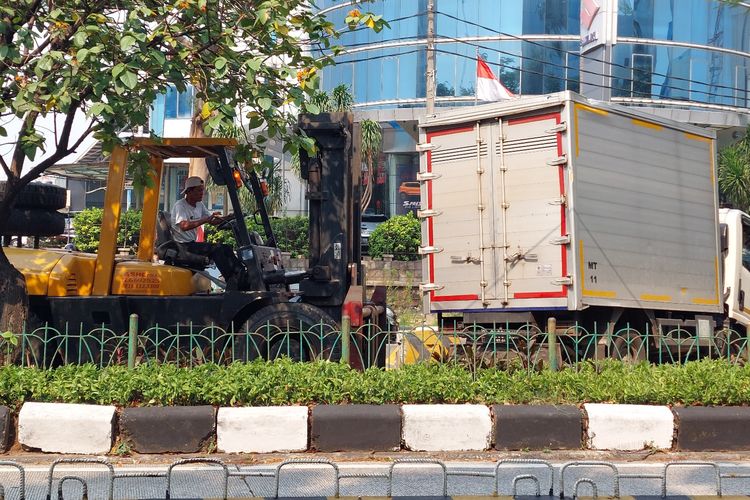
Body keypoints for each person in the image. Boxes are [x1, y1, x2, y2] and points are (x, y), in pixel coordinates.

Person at [172, 176, 245, 290]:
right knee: (216, 249)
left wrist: (230, 216)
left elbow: (213, 221)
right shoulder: (180, 206)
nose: (202, 193)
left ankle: (241, 276)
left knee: (226, 248)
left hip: (191, 244)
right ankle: (231, 281)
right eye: (199, 190)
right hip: (183, 246)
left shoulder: (199, 205)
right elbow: (184, 226)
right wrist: (205, 220)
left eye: (202, 190)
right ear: (189, 191)